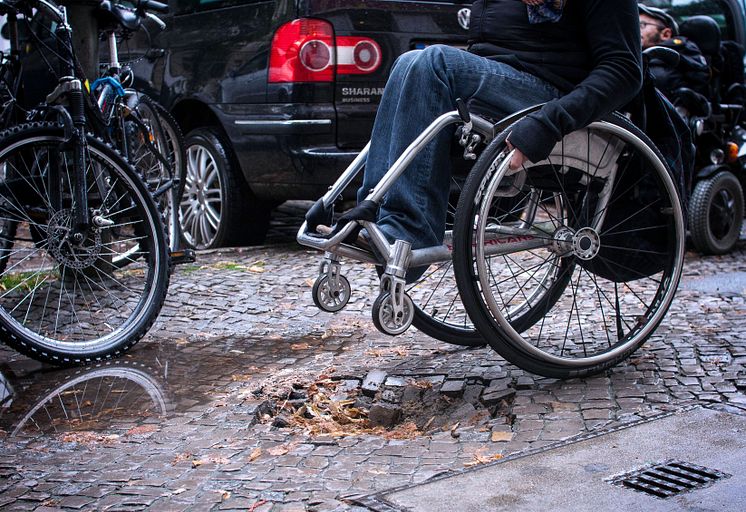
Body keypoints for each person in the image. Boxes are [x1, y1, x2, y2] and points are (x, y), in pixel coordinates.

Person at [349, 0, 643, 274]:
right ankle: (373, 215)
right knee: (408, 62)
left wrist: (548, 123)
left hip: (555, 94)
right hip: (505, 81)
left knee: (432, 63)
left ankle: (410, 232)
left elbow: (624, 71)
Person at [639, 4, 710, 97]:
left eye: (641, 25)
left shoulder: (683, 55)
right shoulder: (627, 54)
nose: (635, 29)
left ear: (666, 34)